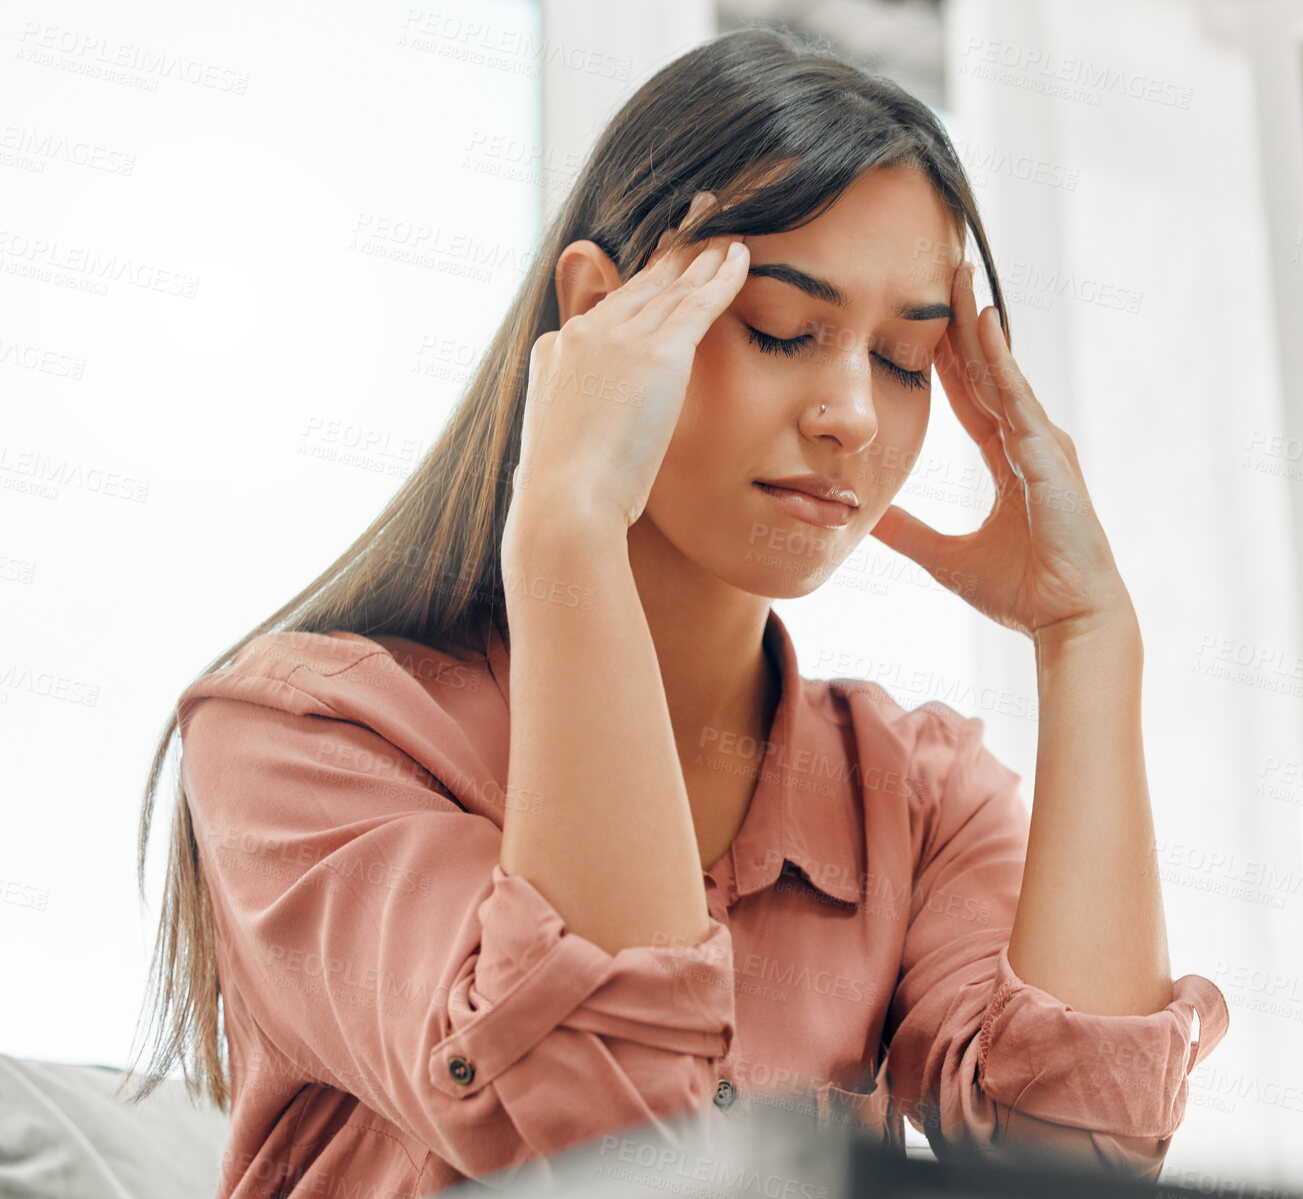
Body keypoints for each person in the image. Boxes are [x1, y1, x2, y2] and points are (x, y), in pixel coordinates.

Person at [123, 25, 1228, 1199]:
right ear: (601, 313)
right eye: (783, 330)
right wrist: (565, 519)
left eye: (904, 358)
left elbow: (1070, 1165)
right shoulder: (298, 740)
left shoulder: (916, 794)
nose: (851, 411)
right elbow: (607, 1141)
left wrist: (1090, 639)